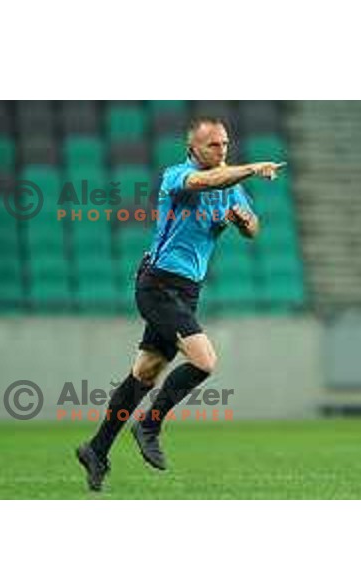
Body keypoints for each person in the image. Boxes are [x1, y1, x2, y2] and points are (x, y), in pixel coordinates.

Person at [77, 116, 286, 491]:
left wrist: (242, 222)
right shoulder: (179, 175)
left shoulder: (231, 184)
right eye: (213, 145)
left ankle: (96, 449)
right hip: (158, 284)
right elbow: (206, 182)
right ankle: (150, 425)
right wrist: (253, 168)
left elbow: (254, 228)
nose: (221, 150)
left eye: (225, 144)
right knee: (205, 361)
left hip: (188, 290)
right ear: (193, 149)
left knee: (144, 373)